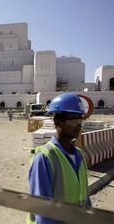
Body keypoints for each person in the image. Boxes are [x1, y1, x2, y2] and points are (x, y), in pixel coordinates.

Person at [27, 93, 91, 224]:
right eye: (73, 121)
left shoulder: (79, 155)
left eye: (80, 120)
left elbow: (84, 198)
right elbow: (43, 212)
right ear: (58, 123)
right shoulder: (44, 159)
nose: (78, 125)